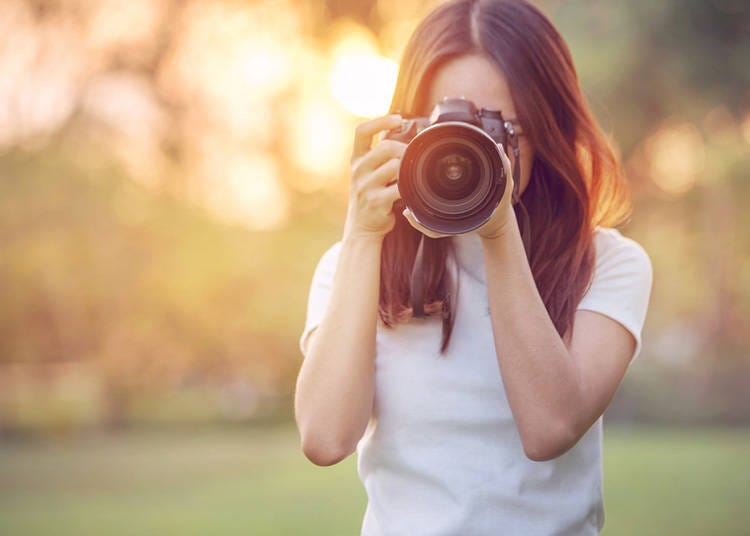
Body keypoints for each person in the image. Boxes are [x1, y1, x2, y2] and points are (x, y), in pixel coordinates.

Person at [295, 0, 653, 534]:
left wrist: (498, 228)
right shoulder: (354, 265)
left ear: (547, 128)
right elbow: (325, 439)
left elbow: (548, 428)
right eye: (446, 125)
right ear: (406, 128)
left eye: (496, 127)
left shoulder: (609, 264)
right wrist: (363, 235)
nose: (465, 150)